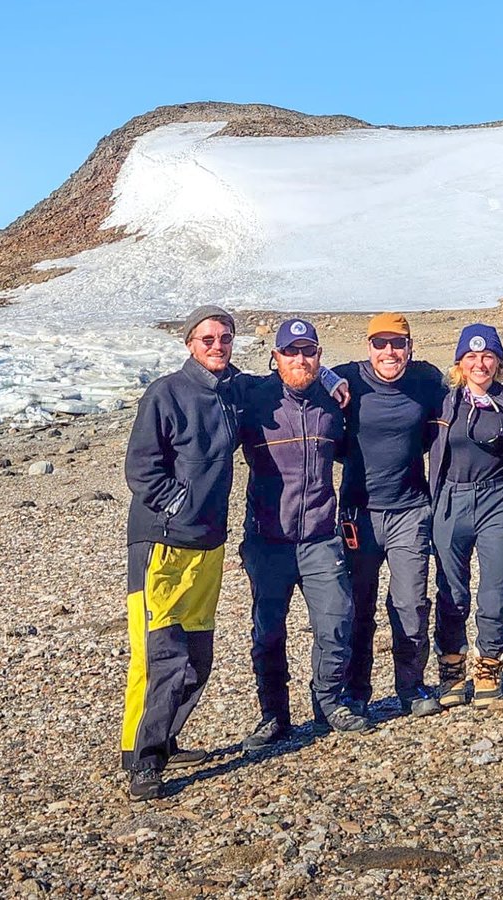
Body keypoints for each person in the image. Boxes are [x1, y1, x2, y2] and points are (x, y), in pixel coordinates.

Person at [121, 306, 351, 800]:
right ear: (189, 343)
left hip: (208, 545)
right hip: (161, 543)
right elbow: (140, 467)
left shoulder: (234, 391)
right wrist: (177, 503)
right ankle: (143, 762)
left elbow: (301, 373)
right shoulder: (167, 392)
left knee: (198, 656)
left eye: (224, 337)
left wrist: (329, 376)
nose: (217, 345)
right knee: (163, 653)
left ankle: (164, 738)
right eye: (207, 338)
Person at [238, 318, 372, 750]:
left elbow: (370, 372)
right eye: (291, 352)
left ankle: (329, 703)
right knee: (268, 630)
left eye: (309, 351)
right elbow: (216, 379)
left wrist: (330, 377)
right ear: (275, 358)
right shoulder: (255, 397)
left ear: (319, 355)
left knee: (335, 622)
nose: (301, 359)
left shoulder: (334, 401)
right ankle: (273, 715)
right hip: (267, 538)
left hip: (320, 536)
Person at [335, 313, 446, 719]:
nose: (389, 352)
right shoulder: (349, 377)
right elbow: (306, 378)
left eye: (397, 343)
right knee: (357, 605)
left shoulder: (425, 380)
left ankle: (411, 685)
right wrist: (331, 382)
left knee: (411, 603)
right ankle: (355, 691)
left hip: (409, 511)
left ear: (409, 346)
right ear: (368, 347)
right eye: (380, 343)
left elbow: (467, 387)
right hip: (358, 513)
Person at [429, 324, 503, 708]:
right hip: (451, 500)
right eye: (472, 357)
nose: (480, 364)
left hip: (499, 503)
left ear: (499, 361)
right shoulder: (443, 401)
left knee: (495, 591)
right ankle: (453, 668)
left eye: (488, 356)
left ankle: (490, 666)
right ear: (460, 362)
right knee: (452, 591)